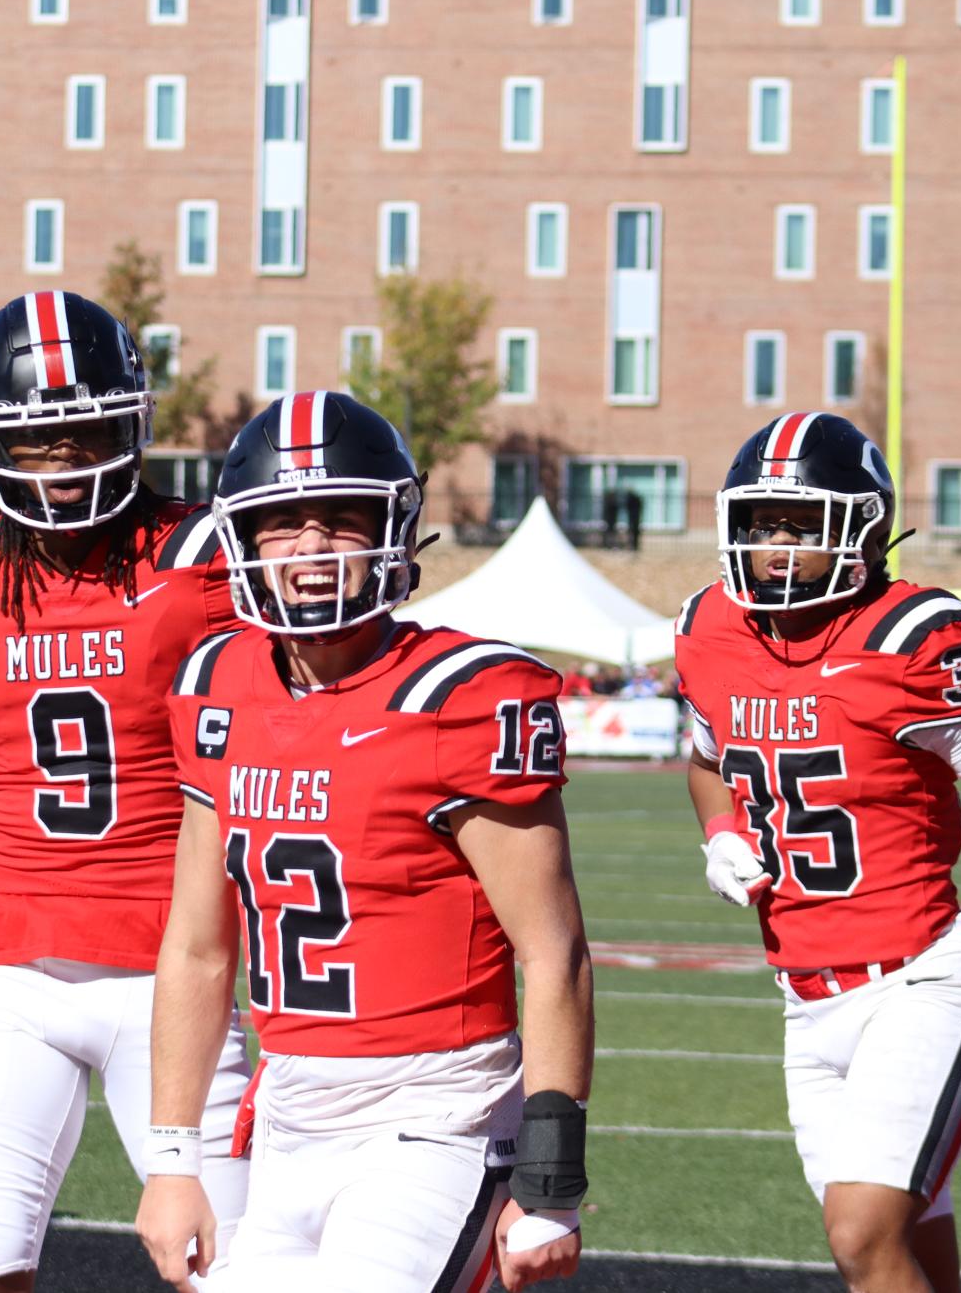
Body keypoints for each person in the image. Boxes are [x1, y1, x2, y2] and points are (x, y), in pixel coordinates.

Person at [136, 392, 595, 1293]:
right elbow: (195, 946)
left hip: (438, 1114)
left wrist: (551, 1182)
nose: (310, 550)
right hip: (289, 1114)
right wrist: (171, 1155)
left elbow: (553, 952)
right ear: (242, 540)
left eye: (342, 520)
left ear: (394, 528)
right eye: (281, 525)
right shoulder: (215, 684)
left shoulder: (463, 694)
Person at [675, 411, 961, 1293]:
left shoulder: (913, 640)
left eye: (805, 526)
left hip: (922, 978)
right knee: (906, 1243)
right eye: (762, 524)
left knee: (859, 1236)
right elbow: (704, 758)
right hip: (803, 997)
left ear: (865, 530)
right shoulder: (709, 626)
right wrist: (719, 832)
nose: (778, 548)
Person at [0, 290, 252, 1290]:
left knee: (232, 1270)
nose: (65, 463)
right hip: (7, 977)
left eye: (86, 430)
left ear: (131, 422)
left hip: (172, 973)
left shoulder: (202, 559)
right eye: (37, 439)